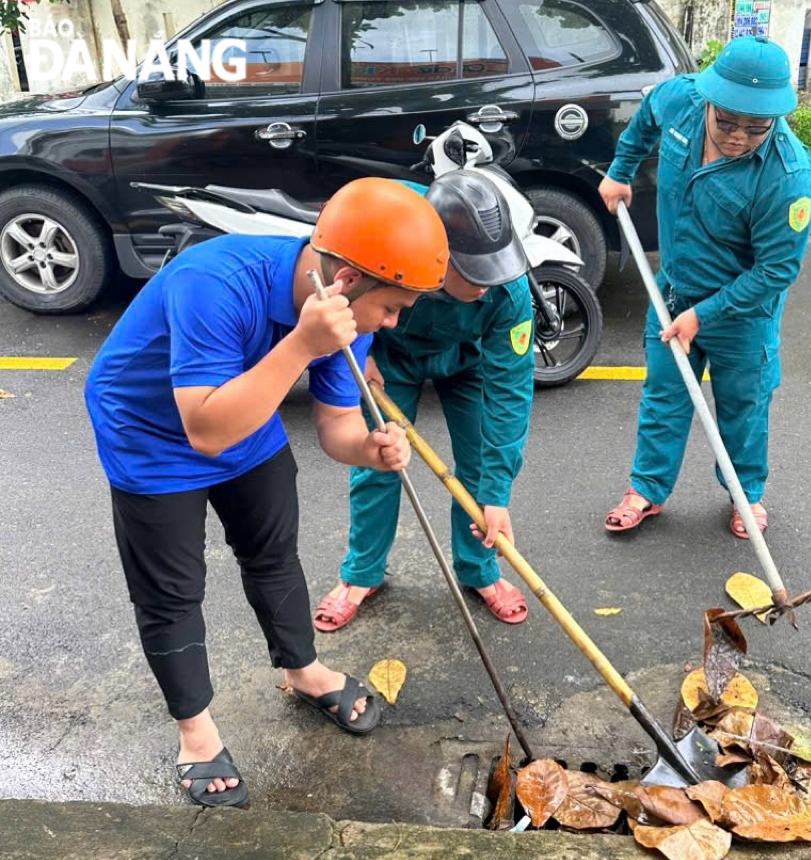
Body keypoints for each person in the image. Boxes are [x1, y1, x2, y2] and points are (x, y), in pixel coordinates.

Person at [83, 177, 450, 808]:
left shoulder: (343, 317)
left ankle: (303, 671)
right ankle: (196, 736)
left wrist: (369, 449)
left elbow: (337, 424)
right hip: (152, 430)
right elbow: (205, 430)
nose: (390, 323)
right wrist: (303, 342)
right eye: (391, 307)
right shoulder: (217, 282)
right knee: (172, 590)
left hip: (249, 411)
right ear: (348, 279)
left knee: (273, 550)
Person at [599, 35, 811, 538]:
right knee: (663, 395)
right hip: (673, 291)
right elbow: (647, 113)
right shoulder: (684, 99)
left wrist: (704, 316)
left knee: (744, 408)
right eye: (728, 122)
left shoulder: (788, 180)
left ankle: (746, 495)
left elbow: (775, 272)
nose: (739, 136)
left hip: (741, 314)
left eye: (756, 126)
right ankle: (646, 490)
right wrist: (619, 171)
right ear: (711, 100)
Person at [313, 170, 534, 631]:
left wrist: (496, 494)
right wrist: (357, 350)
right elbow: (334, 280)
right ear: (438, 255)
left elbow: (510, 392)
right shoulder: (392, 228)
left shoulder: (507, 292)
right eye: (474, 272)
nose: (487, 285)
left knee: (477, 469)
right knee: (377, 459)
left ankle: (479, 570)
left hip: (466, 363)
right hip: (390, 358)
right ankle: (362, 574)